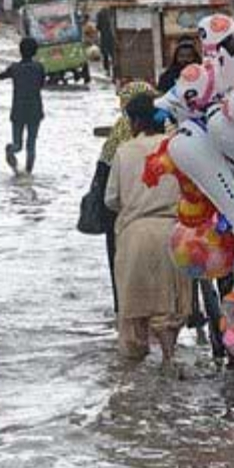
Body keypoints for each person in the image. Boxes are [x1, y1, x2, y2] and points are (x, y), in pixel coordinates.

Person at [104, 93, 193, 371]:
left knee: (134, 308)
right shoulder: (178, 148)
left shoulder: (125, 151)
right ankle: (168, 357)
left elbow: (111, 198)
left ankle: (134, 382)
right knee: (169, 303)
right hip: (174, 232)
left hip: (135, 234)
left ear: (135, 120)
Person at [93, 80, 157, 312]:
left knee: (123, 272)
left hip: (122, 218)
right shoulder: (167, 134)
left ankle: (126, 313)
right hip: (161, 217)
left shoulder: (118, 139)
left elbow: (107, 189)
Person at [0, 37, 46, 176]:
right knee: (31, 144)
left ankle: (10, 151)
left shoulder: (15, 68)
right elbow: (41, 84)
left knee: (17, 144)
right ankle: (28, 173)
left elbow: (1, 76)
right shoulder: (39, 67)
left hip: (18, 110)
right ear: (35, 52)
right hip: (35, 110)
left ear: (20, 51)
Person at [96, 6, 116, 75]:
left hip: (104, 37)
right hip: (113, 36)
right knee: (113, 54)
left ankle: (107, 71)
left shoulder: (99, 13)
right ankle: (115, 69)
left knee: (105, 55)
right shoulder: (112, 11)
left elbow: (98, 27)